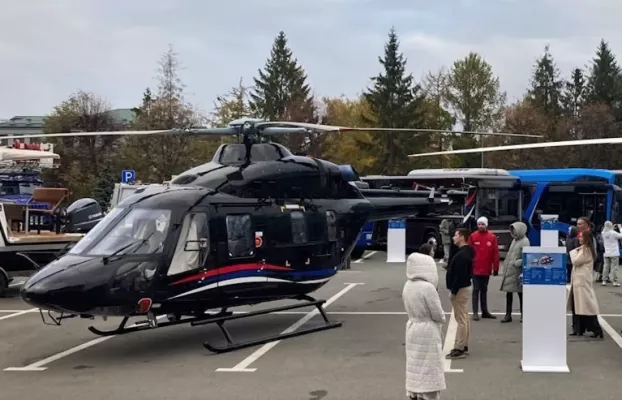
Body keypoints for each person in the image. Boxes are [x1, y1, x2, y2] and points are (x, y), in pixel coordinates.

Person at [403, 243, 446, 400]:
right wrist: (442, 319)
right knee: (429, 367)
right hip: (427, 330)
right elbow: (437, 313)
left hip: (412, 327)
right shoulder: (427, 288)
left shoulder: (408, 285)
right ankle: (427, 395)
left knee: (414, 365)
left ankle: (414, 393)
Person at [568, 230, 604, 338]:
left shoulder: (586, 250)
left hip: (582, 281)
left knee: (586, 306)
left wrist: (573, 252)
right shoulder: (584, 249)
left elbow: (575, 261)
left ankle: (595, 329)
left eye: (581, 237)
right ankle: (579, 328)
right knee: (578, 306)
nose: (579, 239)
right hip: (578, 281)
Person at [445, 228, 474, 360]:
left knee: (461, 318)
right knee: (464, 317)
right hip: (464, 287)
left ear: (462, 237)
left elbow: (460, 275)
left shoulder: (462, 255)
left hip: (460, 289)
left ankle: (460, 347)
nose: (453, 237)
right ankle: (464, 344)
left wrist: (453, 290)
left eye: (456, 235)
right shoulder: (465, 252)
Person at [468, 216, 499, 320]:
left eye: (482, 224)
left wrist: (496, 267)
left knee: (484, 290)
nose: (480, 226)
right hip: (475, 268)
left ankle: (485, 311)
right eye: (479, 224)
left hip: (486, 269)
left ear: (486, 225)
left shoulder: (492, 237)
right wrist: (468, 267)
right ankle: (475, 312)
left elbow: (495, 253)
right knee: (476, 290)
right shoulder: (473, 236)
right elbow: (468, 252)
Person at [499, 222, 530, 323]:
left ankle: (523, 314)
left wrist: (516, 263)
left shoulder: (525, 241)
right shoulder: (514, 240)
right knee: (509, 293)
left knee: (521, 294)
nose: (513, 232)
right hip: (511, 270)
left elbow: (526, 257)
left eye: (515, 230)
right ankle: (508, 314)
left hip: (517, 271)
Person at [600, 221, 622, 287]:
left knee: (606, 267)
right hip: (614, 253)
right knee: (614, 267)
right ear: (610, 225)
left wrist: (611, 227)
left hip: (607, 253)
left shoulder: (603, 233)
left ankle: (604, 281)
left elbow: (608, 230)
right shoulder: (613, 233)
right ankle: (614, 281)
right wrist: (620, 228)